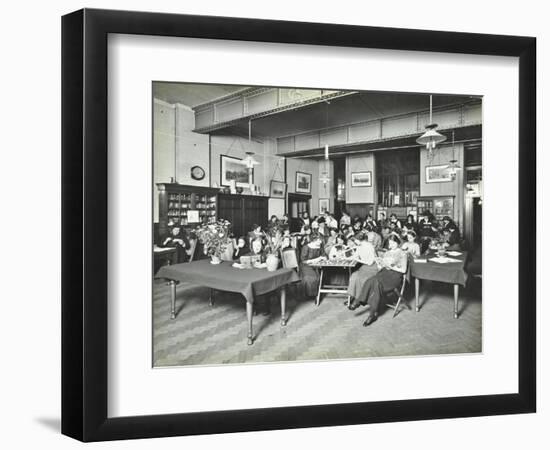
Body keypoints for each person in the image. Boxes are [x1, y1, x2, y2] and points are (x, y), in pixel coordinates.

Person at [349, 234, 408, 326]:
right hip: (384, 273)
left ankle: (360, 301)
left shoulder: (402, 254)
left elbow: (403, 270)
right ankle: (372, 314)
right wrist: (380, 264)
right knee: (372, 280)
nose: (391, 245)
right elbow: (382, 266)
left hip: (394, 276)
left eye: (393, 243)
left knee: (374, 281)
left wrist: (391, 267)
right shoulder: (387, 253)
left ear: (397, 242)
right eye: (390, 243)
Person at [346, 232, 379, 307]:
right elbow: (355, 255)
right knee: (354, 276)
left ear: (360, 240)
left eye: (355, 240)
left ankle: (358, 300)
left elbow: (370, 262)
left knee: (361, 279)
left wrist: (358, 260)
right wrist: (344, 257)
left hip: (372, 267)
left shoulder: (369, 247)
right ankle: (353, 296)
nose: (355, 242)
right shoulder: (360, 246)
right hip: (364, 267)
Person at [300, 233, 324, 300]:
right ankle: (310, 295)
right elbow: (303, 261)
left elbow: (324, 255)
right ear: (314, 240)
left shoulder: (319, 247)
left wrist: (324, 257)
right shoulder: (306, 247)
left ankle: (317, 294)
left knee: (320, 277)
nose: (321, 242)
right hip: (306, 266)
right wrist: (318, 259)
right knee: (311, 278)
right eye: (319, 240)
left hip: (317, 265)